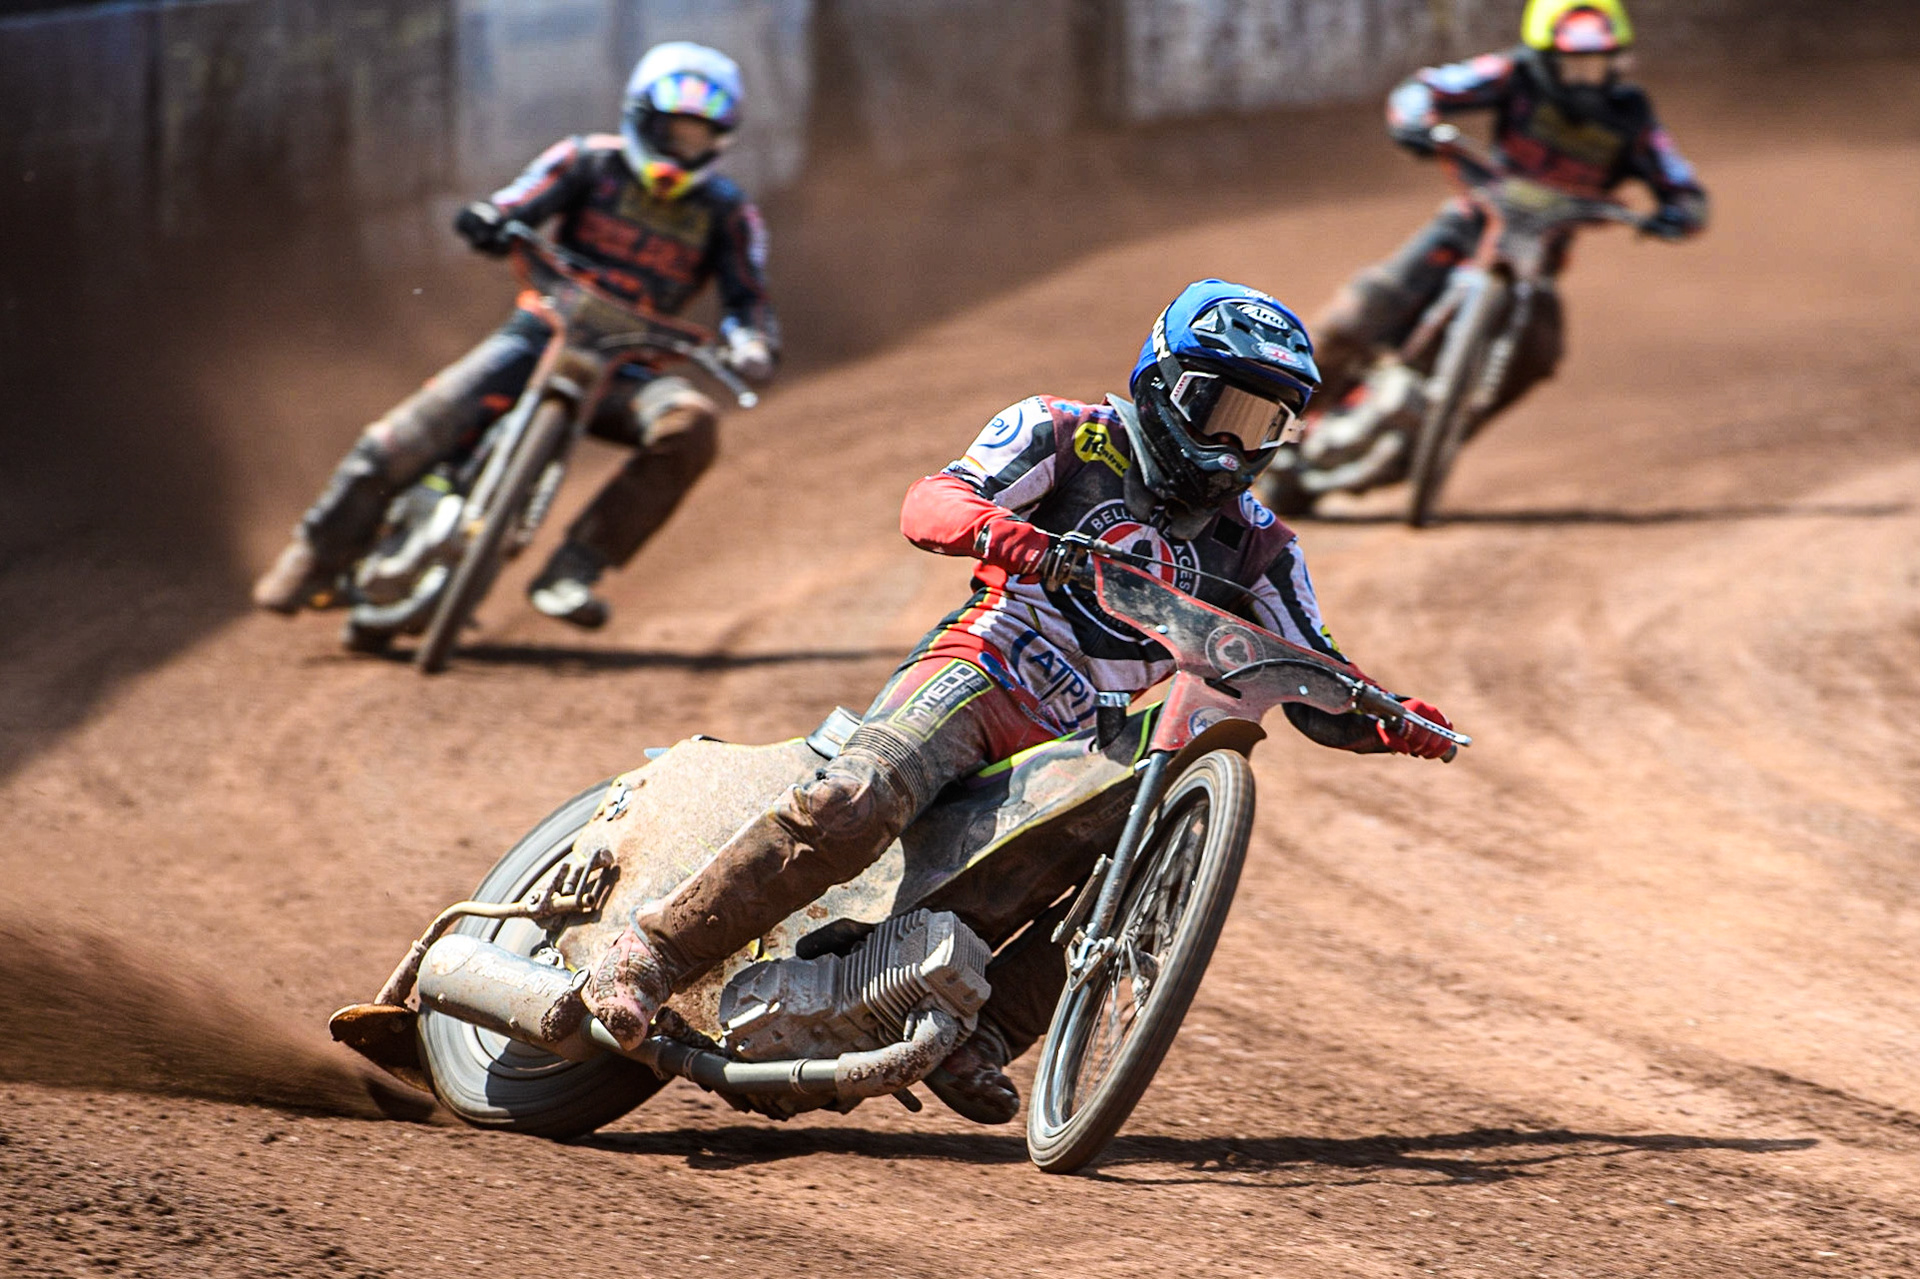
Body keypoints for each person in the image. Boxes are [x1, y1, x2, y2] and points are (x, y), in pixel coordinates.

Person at [559, 280, 1457, 1124]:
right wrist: (1015, 539)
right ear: (1162, 382)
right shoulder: (1066, 432)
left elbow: (1314, 674)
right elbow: (932, 501)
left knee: (1129, 870)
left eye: (1266, 422)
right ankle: (652, 953)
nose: (1236, 444)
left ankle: (980, 1037)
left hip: (1091, 742)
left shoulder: (1262, 546)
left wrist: (1391, 715)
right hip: (985, 670)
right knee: (851, 798)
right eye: (1222, 411)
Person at [253, 42, 778, 630]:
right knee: (407, 431)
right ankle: (315, 554)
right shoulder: (586, 160)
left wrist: (751, 343)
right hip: (540, 334)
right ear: (642, 119)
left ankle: (574, 568)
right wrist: (493, 219)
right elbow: (518, 200)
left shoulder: (730, 213)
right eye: (675, 130)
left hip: (626, 369)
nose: (685, 148)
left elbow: (747, 300)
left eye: (700, 136)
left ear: (721, 141)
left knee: (693, 425)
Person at [1307, 0, 1707, 432]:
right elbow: (1423, 88)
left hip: (1540, 261)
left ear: (1615, 60)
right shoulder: (1512, 74)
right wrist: (1414, 121)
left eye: (1596, 64)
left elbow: (1680, 182)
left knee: (1538, 357)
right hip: (1469, 225)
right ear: (1543, 58)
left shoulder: (1632, 115)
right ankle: (1270, 418)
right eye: (1572, 65)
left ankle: (1441, 438)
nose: (1584, 79)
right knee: (1359, 313)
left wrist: (1680, 211)